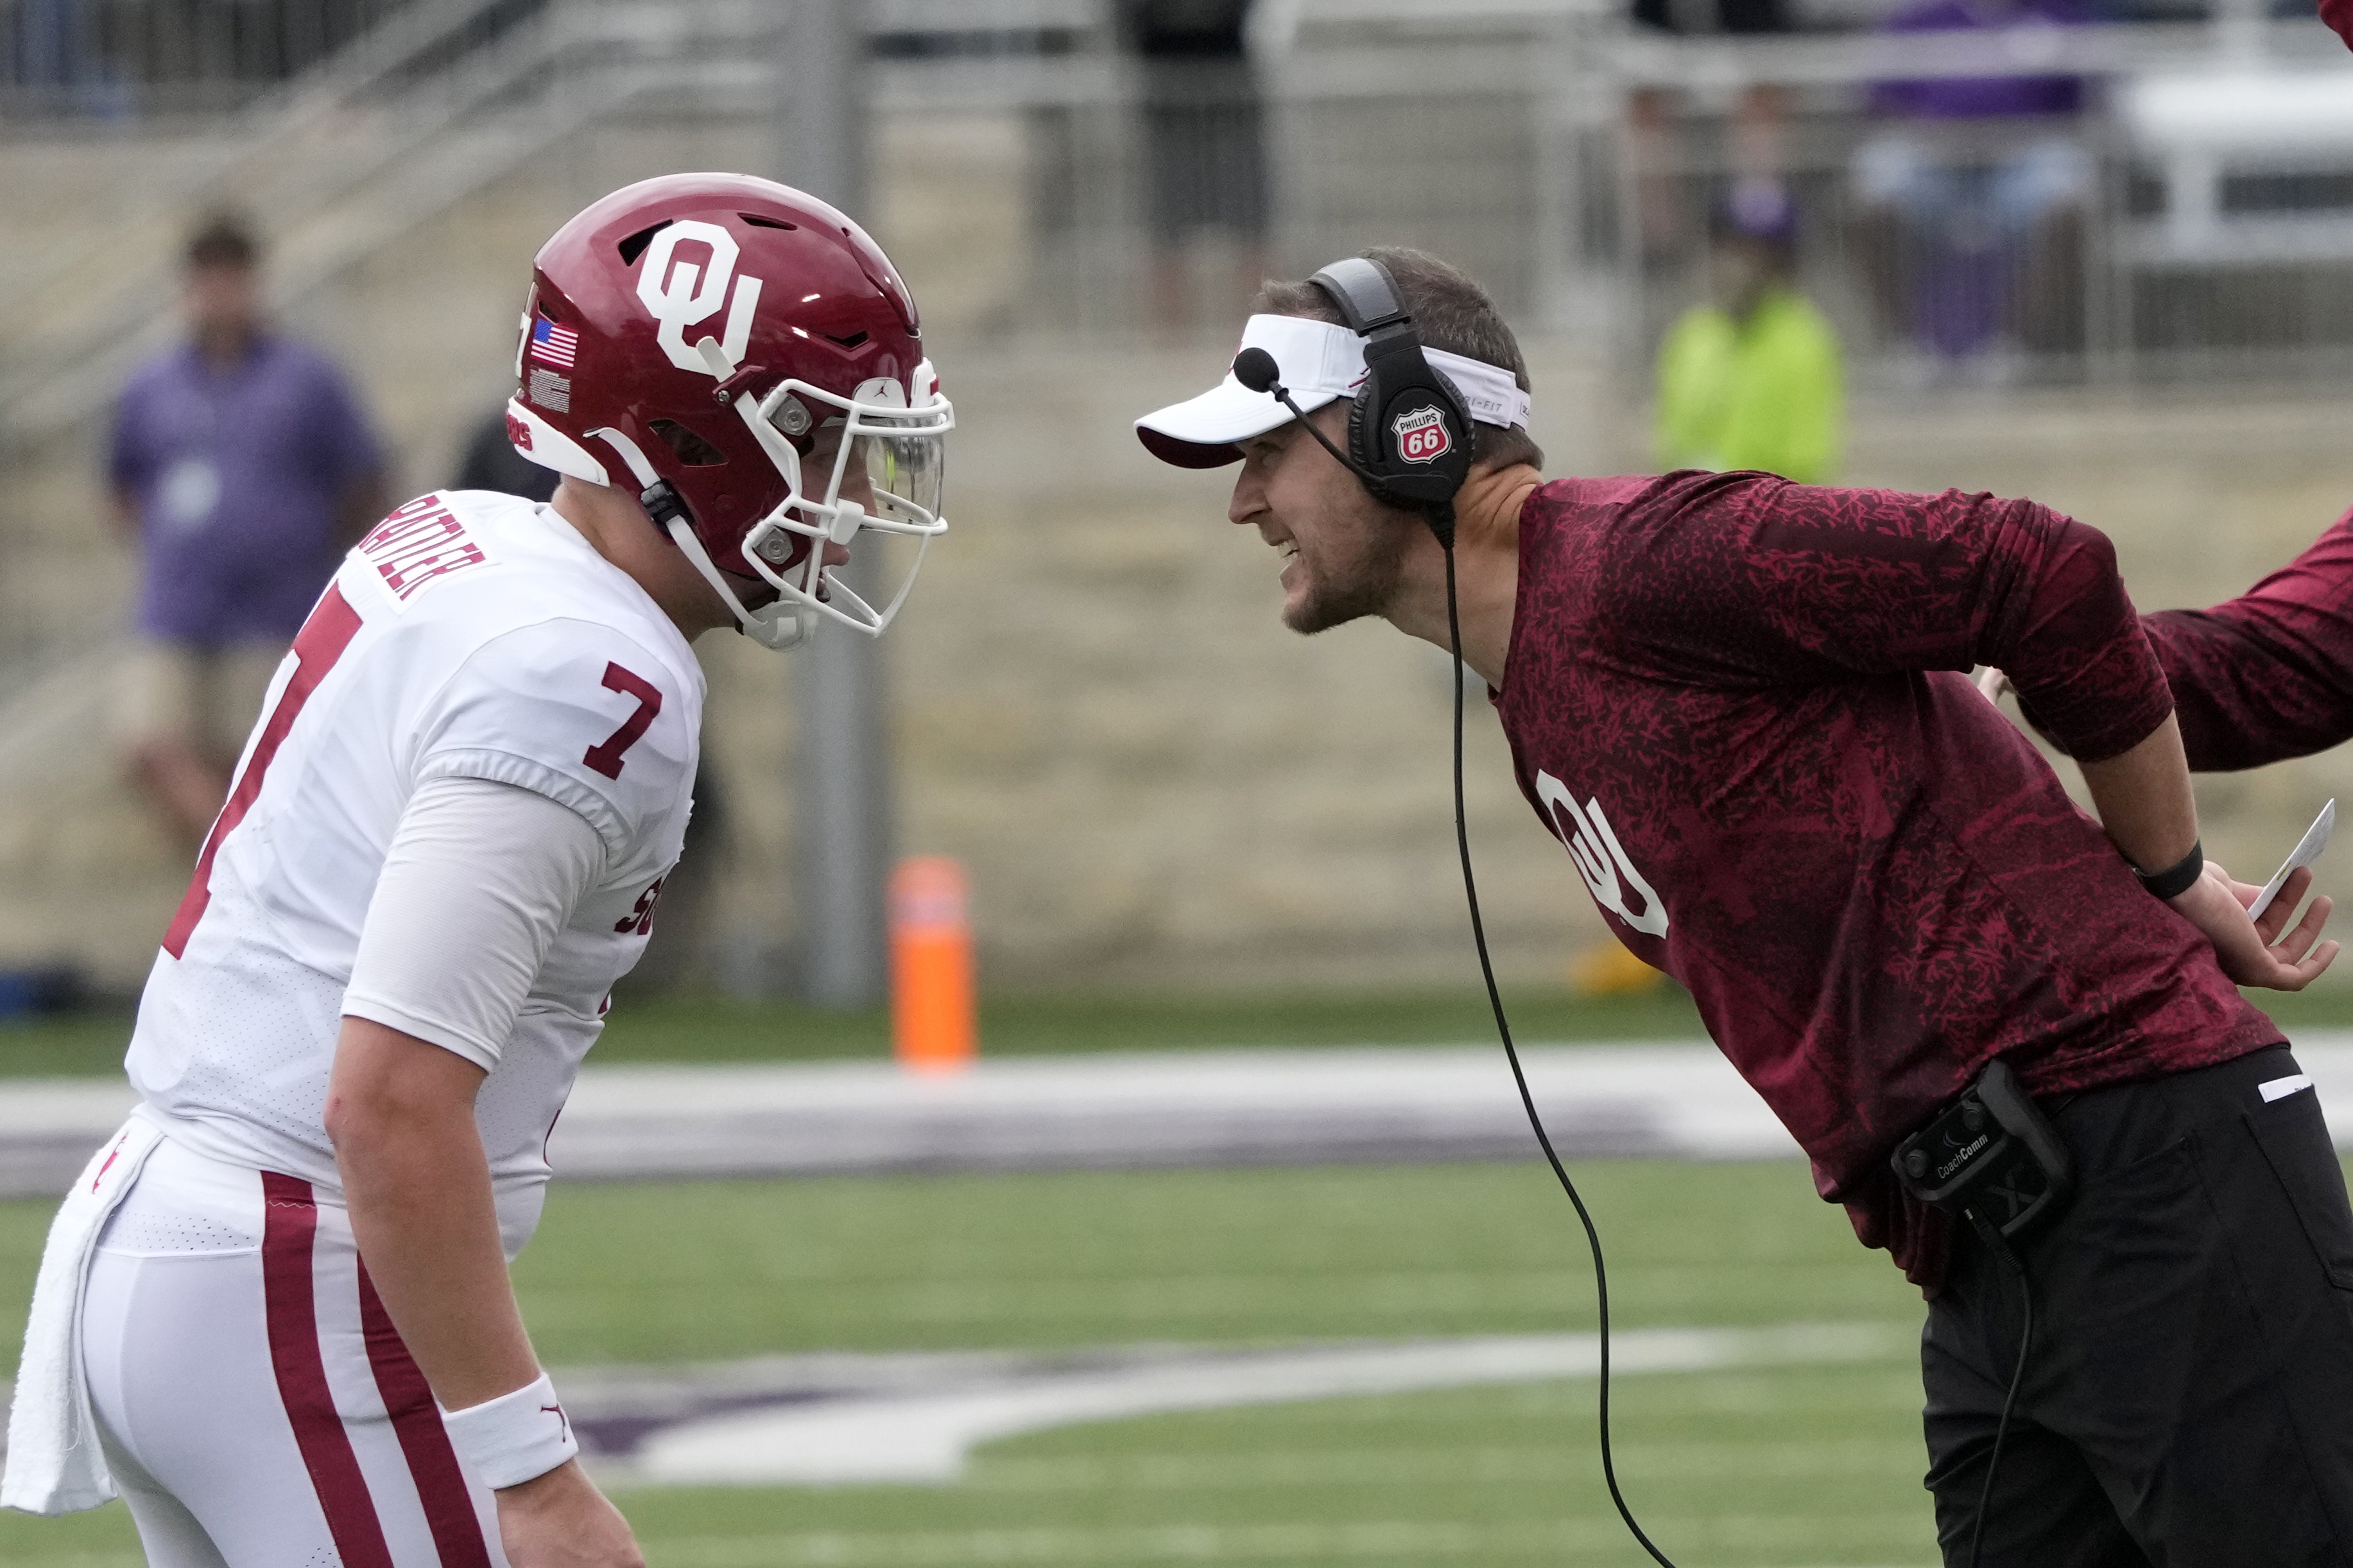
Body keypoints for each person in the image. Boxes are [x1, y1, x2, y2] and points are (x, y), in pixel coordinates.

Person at [1133, 246, 2353, 1563]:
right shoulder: (1531, 679)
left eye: (1271, 446)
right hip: (1991, 1254)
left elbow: (2044, 567)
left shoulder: (1641, 562)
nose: (1245, 498)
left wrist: (2168, 873)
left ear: (1405, 428)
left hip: (2146, 1173)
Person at [3, 173, 952, 1567]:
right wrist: (535, 1468)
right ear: (686, 429)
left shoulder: (468, 540)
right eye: (810, 437)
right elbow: (387, 1100)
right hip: (289, 1271)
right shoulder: (588, 673)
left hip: (180, 1222)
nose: (845, 493)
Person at [108, 214, 390, 845]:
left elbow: (363, 479)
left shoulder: (307, 379)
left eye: (231, 277)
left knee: (255, 754)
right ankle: (233, 858)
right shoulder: (152, 383)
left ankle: (240, 868)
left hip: (273, 605)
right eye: (207, 277)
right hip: (177, 606)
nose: (219, 293)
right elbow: (122, 484)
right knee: (149, 740)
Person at [1653, 179, 1844, 485]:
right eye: (1729, 247)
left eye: (1754, 253)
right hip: (1691, 512)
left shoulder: (1805, 342)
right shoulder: (1692, 335)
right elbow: (1671, 440)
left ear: (1781, 264)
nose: (1735, 264)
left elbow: (1806, 461)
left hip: (1769, 518)